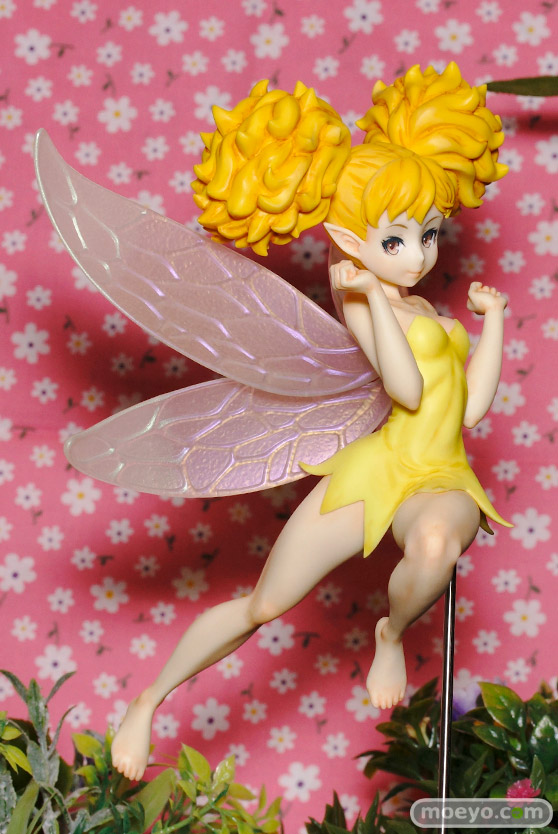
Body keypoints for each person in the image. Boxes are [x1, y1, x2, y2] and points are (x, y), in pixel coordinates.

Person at [111, 62, 512, 780]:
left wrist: (495, 324)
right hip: (379, 468)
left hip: (441, 476)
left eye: (428, 235)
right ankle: (149, 700)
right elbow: (404, 387)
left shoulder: (422, 308)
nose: (419, 257)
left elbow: (470, 407)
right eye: (396, 242)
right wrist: (368, 297)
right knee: (264, 604)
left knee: (434, 546)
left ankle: (390, 633)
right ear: (351, 242)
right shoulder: (363, 299)